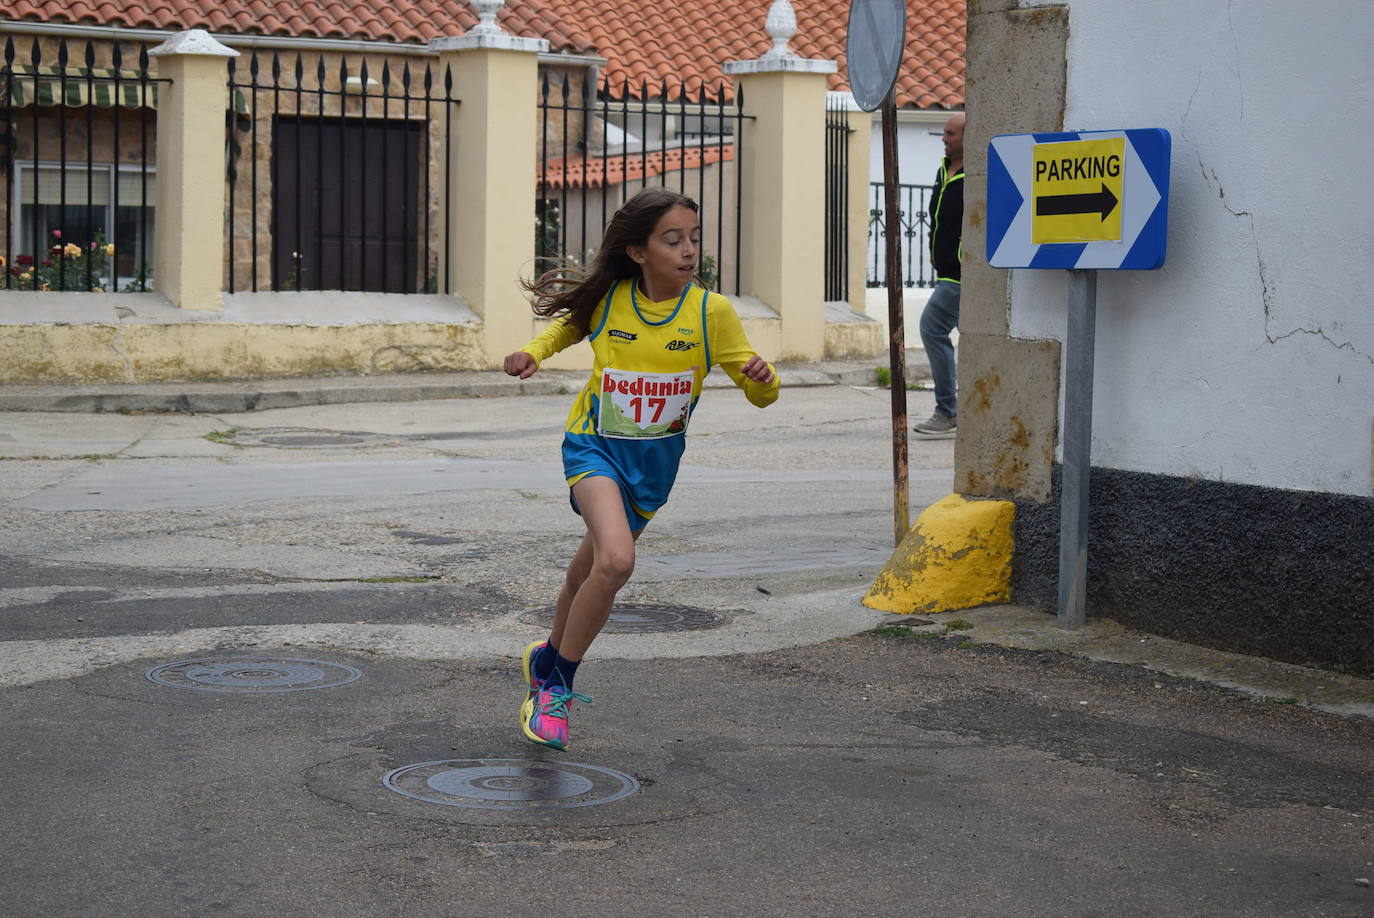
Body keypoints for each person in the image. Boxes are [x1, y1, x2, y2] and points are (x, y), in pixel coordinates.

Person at [503, 188, 780, 750]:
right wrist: (534, 351)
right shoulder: (612, 299)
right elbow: (567, 327)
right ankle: (556, 687)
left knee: (588, 573)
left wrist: (763, 377)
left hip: (652, 469)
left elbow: (760, 398)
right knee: (618, 561)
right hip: (593, 448)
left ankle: (545, 656)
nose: (688, 251)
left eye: (694, 239)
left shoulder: (712, 313)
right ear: (638, 251)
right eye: (672, 240)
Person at [914, 111, 965, 439]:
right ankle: (965, 409)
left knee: (931, 327)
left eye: (951, 134)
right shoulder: (943, 172)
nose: (944, 139)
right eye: (944, 133)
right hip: (946, 270)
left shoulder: (978, 174)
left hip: (961, 274)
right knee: (974, 340)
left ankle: (947, 410)